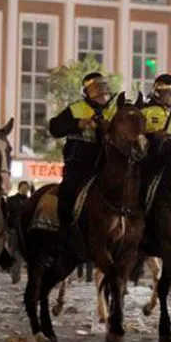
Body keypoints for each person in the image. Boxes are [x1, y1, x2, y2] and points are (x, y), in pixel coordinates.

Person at [49, 72, 116, 247]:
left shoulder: (114, 109)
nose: (101, 91)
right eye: (95, 88)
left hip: (107, 164)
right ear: (86, 92)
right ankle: (65, 234)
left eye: (103, 86)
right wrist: (78, 124)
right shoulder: (76, 108)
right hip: (80, 165)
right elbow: (55, 128)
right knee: (68, 192)